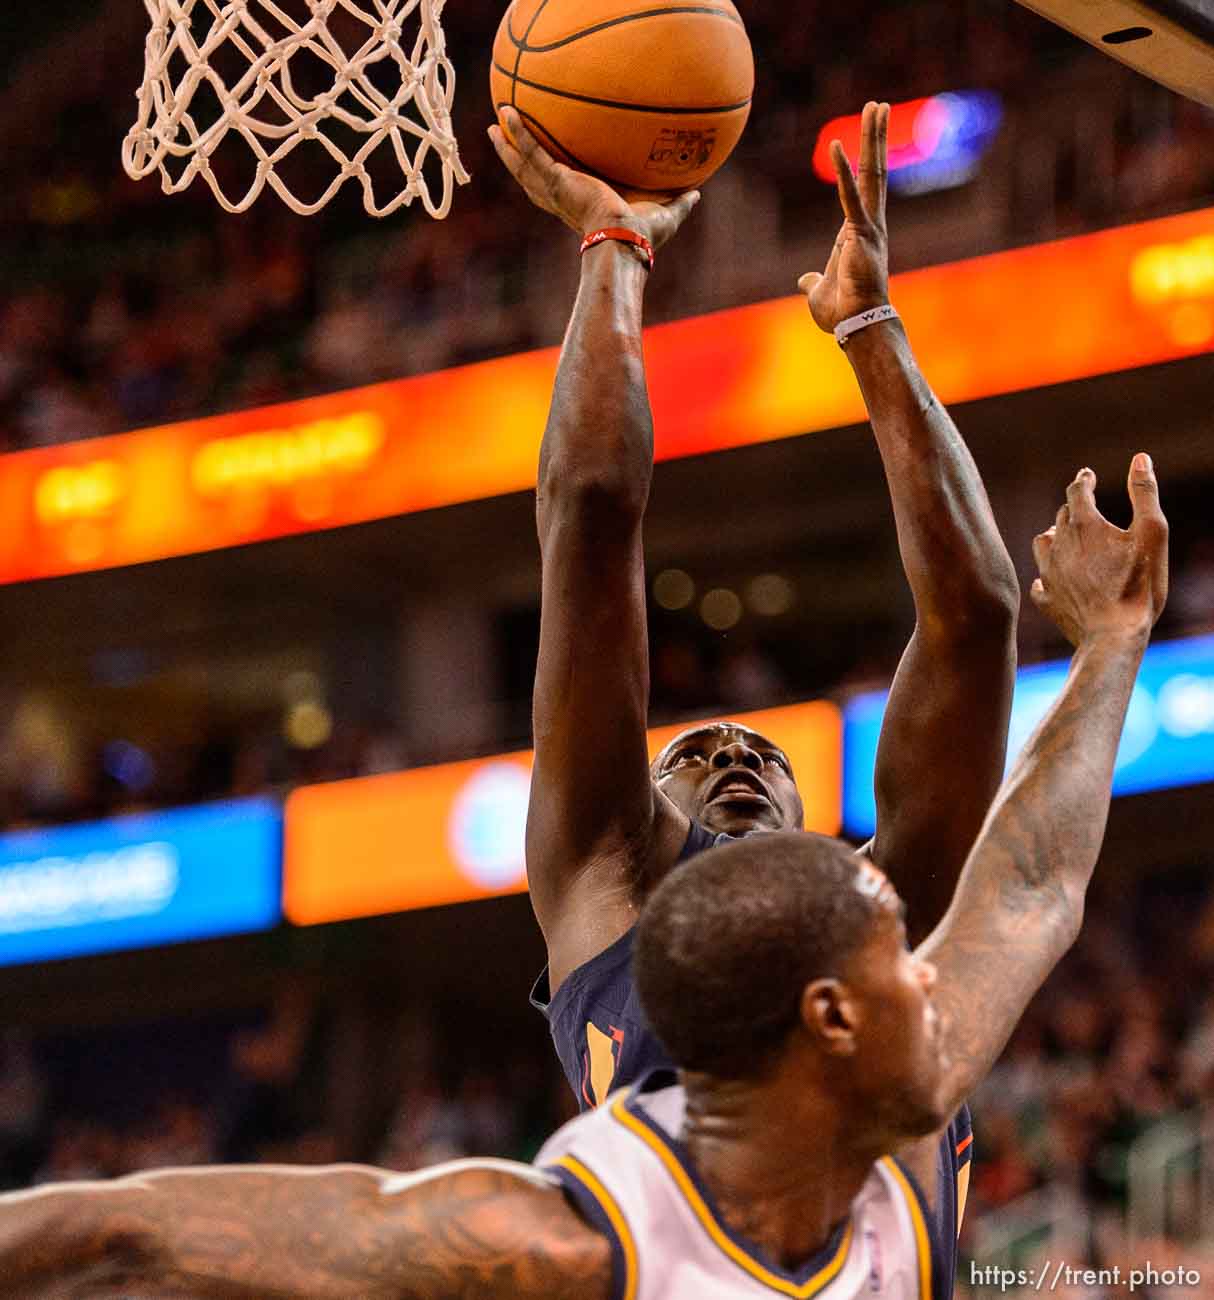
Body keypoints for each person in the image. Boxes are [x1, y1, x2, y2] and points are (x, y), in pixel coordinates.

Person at [0, 458, 1168, 1299]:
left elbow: (1029, 881)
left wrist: (1112, 647)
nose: (936, 991)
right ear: (829, 1016)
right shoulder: (572, 1239)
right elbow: (130, 1231)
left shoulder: (897, 1129)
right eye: (901, 975)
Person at [486, 102, 1021, 1106]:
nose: (732, 756)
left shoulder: (876, 909)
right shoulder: (600, 880)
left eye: (758, 756)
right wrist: (611, 247)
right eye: (693, 755)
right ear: (642, 814)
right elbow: (589, 509)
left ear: (813, 819)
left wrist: (869, 326)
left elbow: (979, 612)